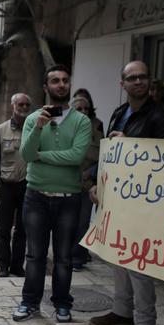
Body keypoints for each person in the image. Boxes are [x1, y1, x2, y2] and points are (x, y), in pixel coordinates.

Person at [87, 61, 164, 325]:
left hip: (144, 201)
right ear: (122, 83)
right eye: (131, 77)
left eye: (143, 77)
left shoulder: (161, 115)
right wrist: (98, 184)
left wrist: (131, 142)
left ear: (149, 82)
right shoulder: (118, 112)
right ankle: (123, 312)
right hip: (117, 197)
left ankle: (146, 324)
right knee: (117, 257)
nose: (138, 81)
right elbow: (110, 155)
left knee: (139, 263)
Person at [13, 65, 91, 323]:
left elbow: (76, 157)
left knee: (64, 257)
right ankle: (29, 302)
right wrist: (38, 128)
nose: (61, 85)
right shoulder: (33, 119)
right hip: (36, 196)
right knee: (34, 255)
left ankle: (62, 304)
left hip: (69, 198)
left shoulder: (81, 121)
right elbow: (25, 156)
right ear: (46, 88)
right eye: (55, 81)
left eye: (65, 80)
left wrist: (41, 156)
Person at [0, 92, 32, 277]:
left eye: (26, 105)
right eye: (20, 105)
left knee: (22, 229)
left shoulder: (34, 128)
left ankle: (17, 266)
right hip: (6, 186)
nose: (23, 108)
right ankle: (3, 265)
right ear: (13, 106)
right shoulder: (1, 129)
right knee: (4, 228)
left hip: (27, 186)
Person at [70, 94, 102, 272]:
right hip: (69, 181)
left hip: (89, 182)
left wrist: (90, 172)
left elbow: (105, 153)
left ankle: (78, 257)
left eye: (86, 109)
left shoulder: (97, 125)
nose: (83, 112)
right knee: (69, 221)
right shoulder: (66, 126)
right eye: (78, 109)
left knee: (83, 221)